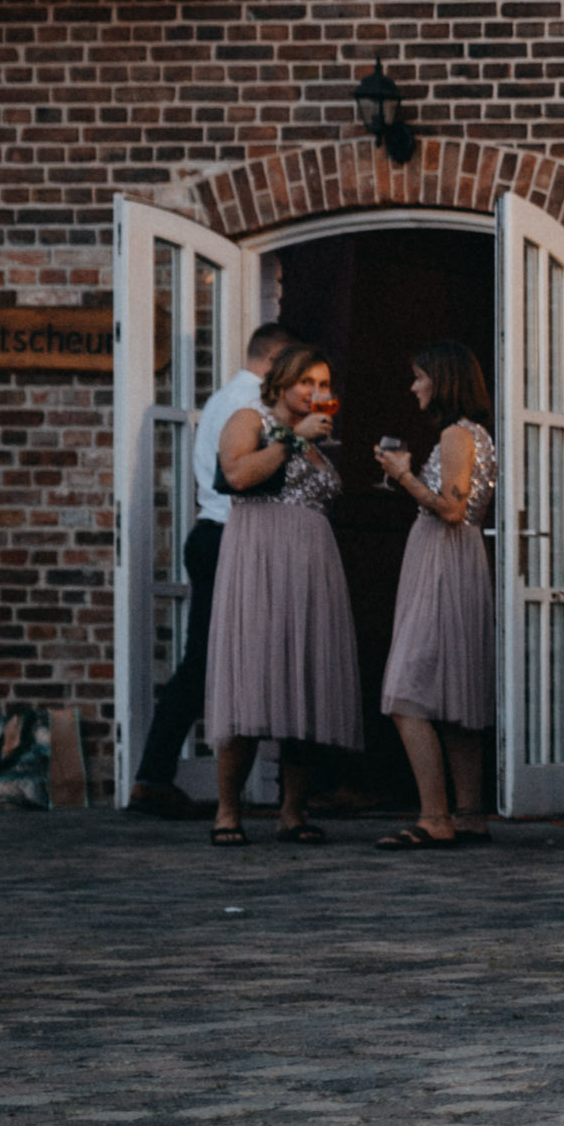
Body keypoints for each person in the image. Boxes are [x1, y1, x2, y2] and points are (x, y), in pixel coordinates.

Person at [131, 323, 299, 819]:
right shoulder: (251, 408)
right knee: (206, 660)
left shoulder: (223, 397)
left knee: (205, 658)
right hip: (229, 536)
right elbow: (240, 475)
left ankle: (155, 775)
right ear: (274, 362)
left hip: (211, 532)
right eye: (293, 371)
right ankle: (154, 776)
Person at [204, 344, 360, 843]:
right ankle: (228, 812)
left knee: (302, 684)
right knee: (251, 677)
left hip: (310, 571)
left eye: (324, 384)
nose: (317, 393)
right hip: (260, 563)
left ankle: (293, 810)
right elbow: (237, 474)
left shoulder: (316, 440)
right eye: (307, 383)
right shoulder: (252, 419)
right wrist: (292, 438)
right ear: (282, 383)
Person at [371, 340, 497, 847]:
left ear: (443, 381)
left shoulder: (455, 435)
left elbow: (450, 508)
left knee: (407, 691)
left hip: (445, 560)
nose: (414, 386)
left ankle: (435, 817)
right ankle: (468, 813)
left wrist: (402, 476)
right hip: (456, 559)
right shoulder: (474, 433)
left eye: (420, 376)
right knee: (453, 692)